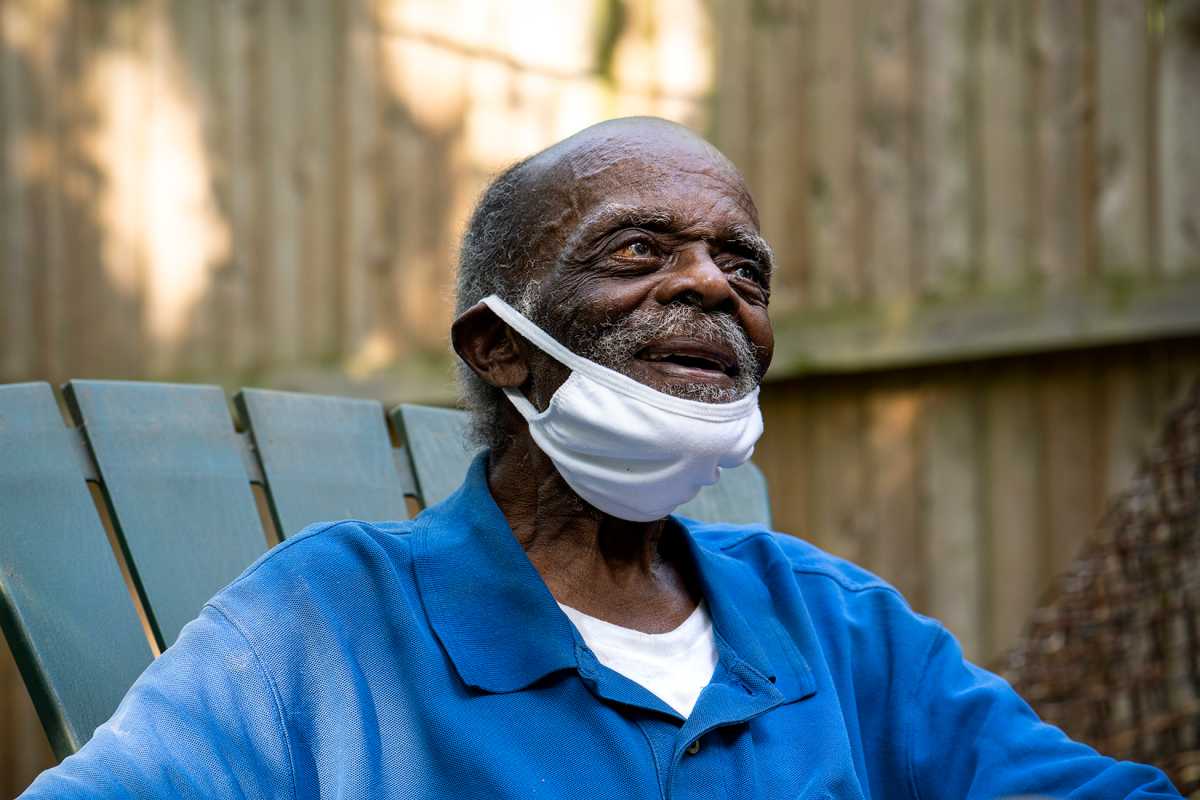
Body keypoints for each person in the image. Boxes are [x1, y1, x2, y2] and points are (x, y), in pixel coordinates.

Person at [21, 117, 1180, 799]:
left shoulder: (837, 626)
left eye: (746, 266)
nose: (713, 284)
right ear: (500, 348)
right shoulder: (324, 624)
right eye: (637, 250)